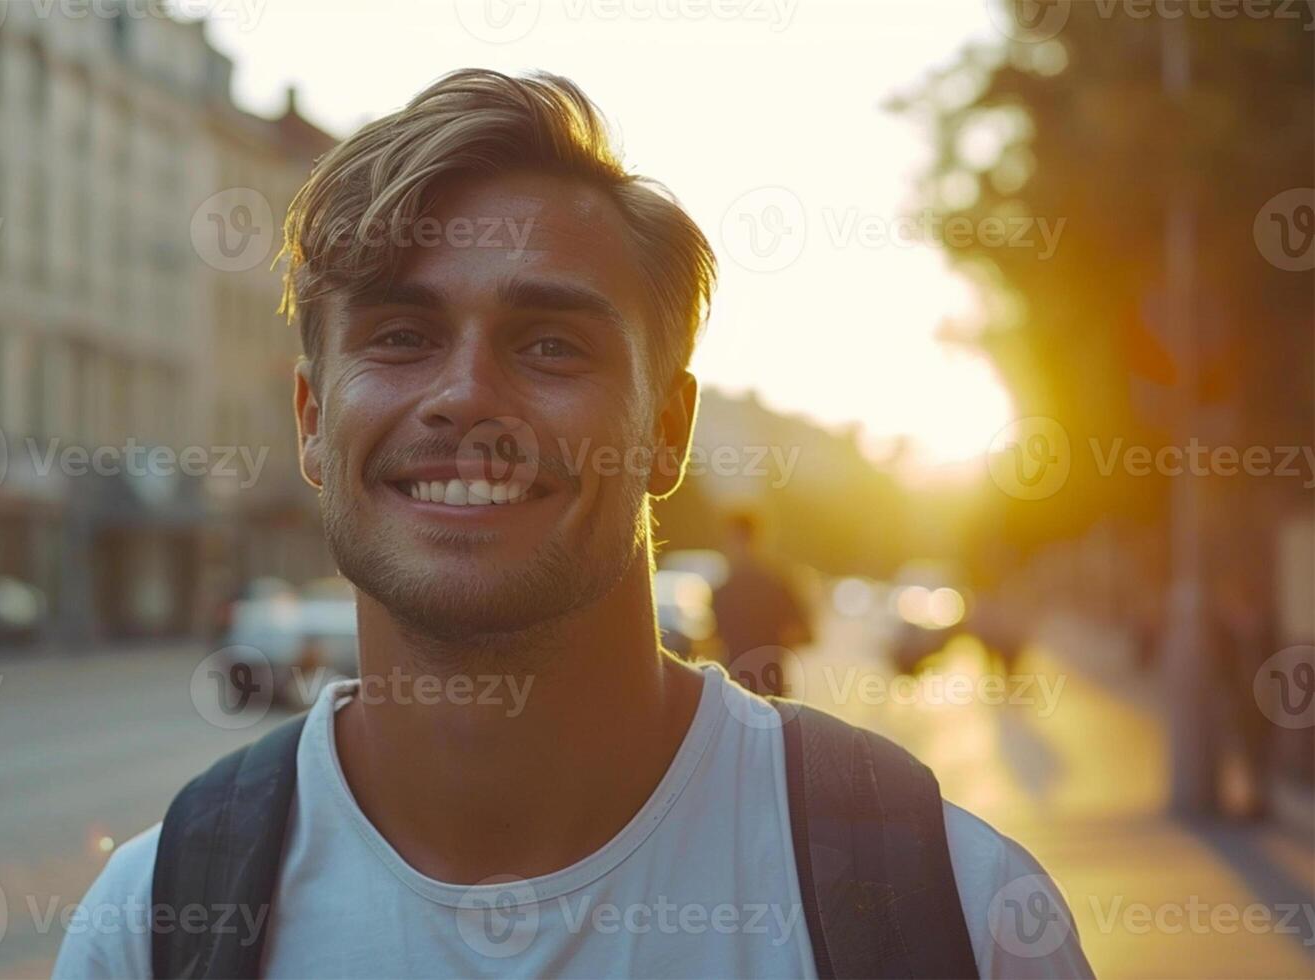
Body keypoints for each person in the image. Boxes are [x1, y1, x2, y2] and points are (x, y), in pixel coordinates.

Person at [55, 70, 1091, 978]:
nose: (464, 394)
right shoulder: (152, 928)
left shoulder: (948, 908)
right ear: (314, 421)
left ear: (666, 429)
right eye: (402, 335)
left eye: (550, 345)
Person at [711, 510, 813, 696]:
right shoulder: (779, 583)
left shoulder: (722, 590)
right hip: (769, 689)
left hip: (736, 690)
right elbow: (803, 633)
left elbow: (714, 642)